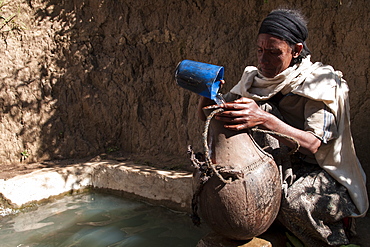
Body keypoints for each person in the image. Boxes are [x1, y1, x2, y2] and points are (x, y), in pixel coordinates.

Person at [198, 9, 368, 247]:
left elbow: (314, 145)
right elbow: (214, 116)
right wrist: (208, 93)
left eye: (273, 52)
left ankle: (335, 238)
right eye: (260, 50)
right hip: (274, 167)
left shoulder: (320, 83)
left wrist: (263, 119)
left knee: (292, 204)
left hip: (319, 171)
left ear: (296, 50)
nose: (263, 60)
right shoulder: (253, 80)